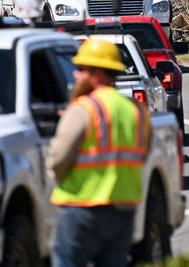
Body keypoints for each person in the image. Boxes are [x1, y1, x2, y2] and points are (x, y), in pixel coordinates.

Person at [48, 37, 151, 267]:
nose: (75, 75)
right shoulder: (137, 111)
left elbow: (58, 159)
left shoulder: (83, 108)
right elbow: (141, 155)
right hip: (123, 210)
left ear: (97, 74)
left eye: (80, 69)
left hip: (82, 208)